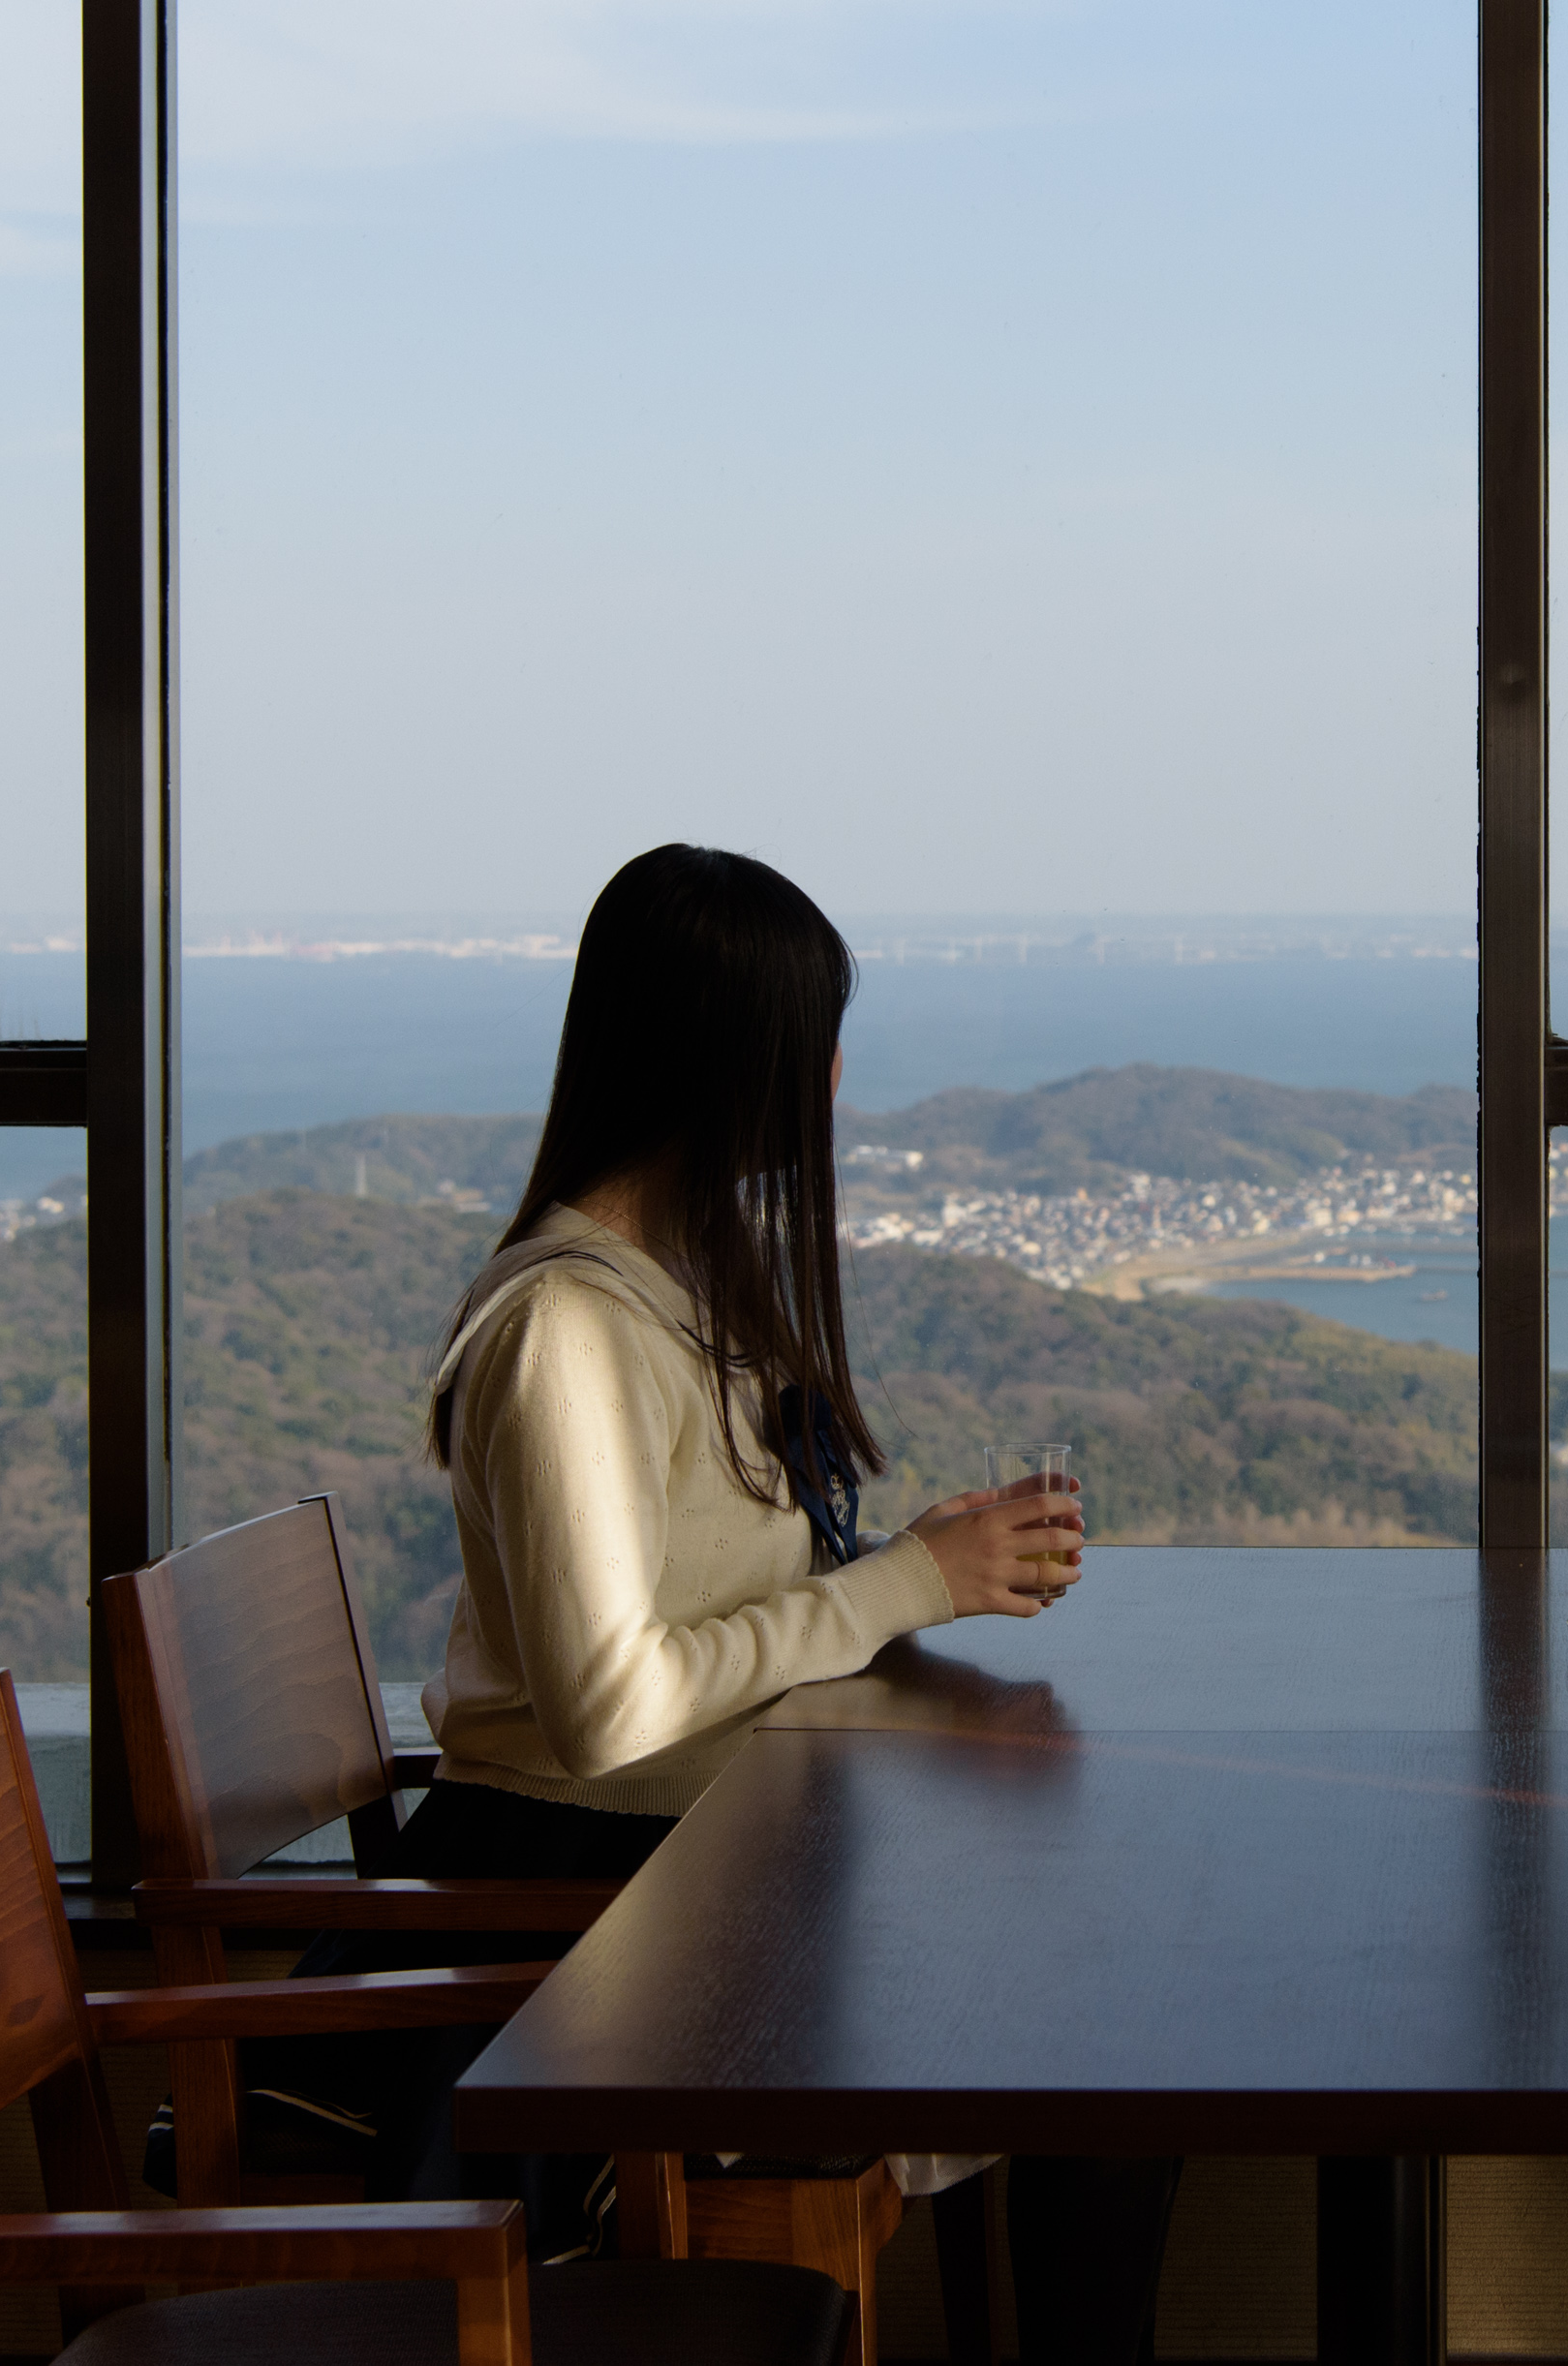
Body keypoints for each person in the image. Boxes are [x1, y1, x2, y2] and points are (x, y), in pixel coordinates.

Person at [306, 843, 1173, 2362]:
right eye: (810, 1050)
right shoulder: (566, 1331)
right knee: (1107, 2035)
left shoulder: (678, 1286)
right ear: (722, 1064)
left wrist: (911, 1565)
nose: (831, 1092)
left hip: (693, 1868)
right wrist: (901, 1583)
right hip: (587, 1914)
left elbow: (705, 1599)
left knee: (1111, 2013)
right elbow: (606, 1708)